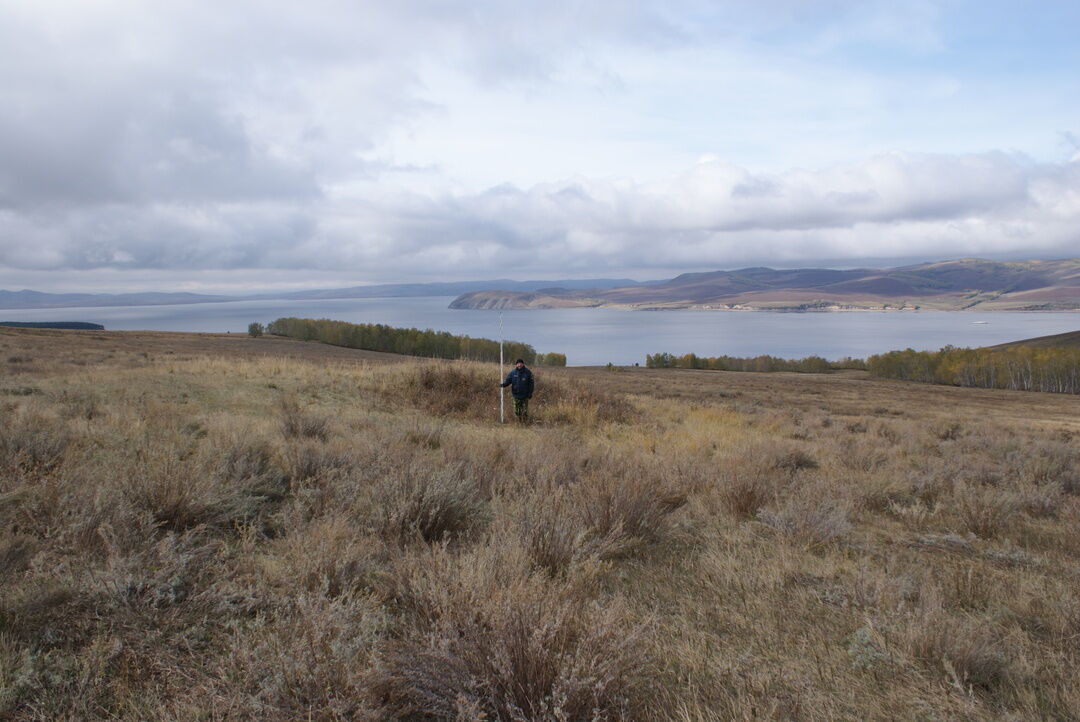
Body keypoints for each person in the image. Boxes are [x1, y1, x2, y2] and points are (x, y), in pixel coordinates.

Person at [499, 358, 534, 423]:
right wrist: (503, 385)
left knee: (524, 411)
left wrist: (530, 393)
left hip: (525, 396)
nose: (519, 365)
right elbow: (508, 381)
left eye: (520, 363)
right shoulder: (512, 373)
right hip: (516, 395)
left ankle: (525, 423)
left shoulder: (528, 373)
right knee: (517, 411)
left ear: (523, 364)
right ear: (516, 365)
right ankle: (519, 422)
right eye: (518, 363)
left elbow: (531, 384)